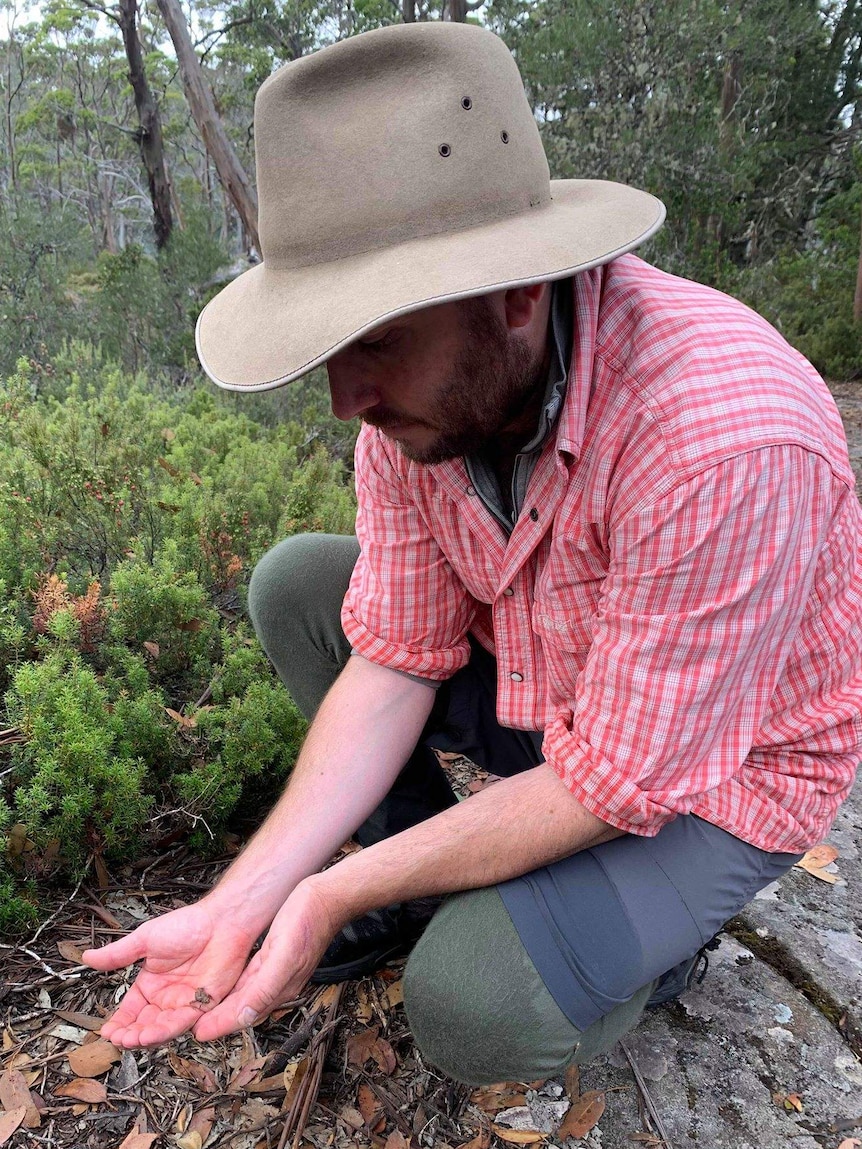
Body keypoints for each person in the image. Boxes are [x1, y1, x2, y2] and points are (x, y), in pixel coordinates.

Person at [83, 22, 862, 1086]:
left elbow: (620, 781)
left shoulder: (721, 435)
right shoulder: (421, 411)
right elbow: (398, 656)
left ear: (515, 294)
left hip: (713, 775)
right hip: (562, 694)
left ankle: (656, 938)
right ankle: (425, 887)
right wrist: (249, 893)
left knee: (471, 1009)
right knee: (301, 585)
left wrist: (329, 889)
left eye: (377, 340)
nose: (344, 398)